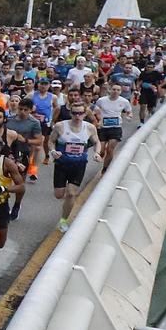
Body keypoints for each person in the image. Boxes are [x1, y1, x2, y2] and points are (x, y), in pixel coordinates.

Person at [49, 99, 99, 231]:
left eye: (80, 113)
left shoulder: (89, 128)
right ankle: (65, 201)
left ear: (84, 114)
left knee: (71, 194)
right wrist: (53, 151)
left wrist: (97, 153)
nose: (77, 116)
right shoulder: (60, 126)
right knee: (59, 195)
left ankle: (64, 220)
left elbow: (96, 142)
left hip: (79, 165)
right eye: (75, 113)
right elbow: (51, 141)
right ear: (70, 113)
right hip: (61, 164)